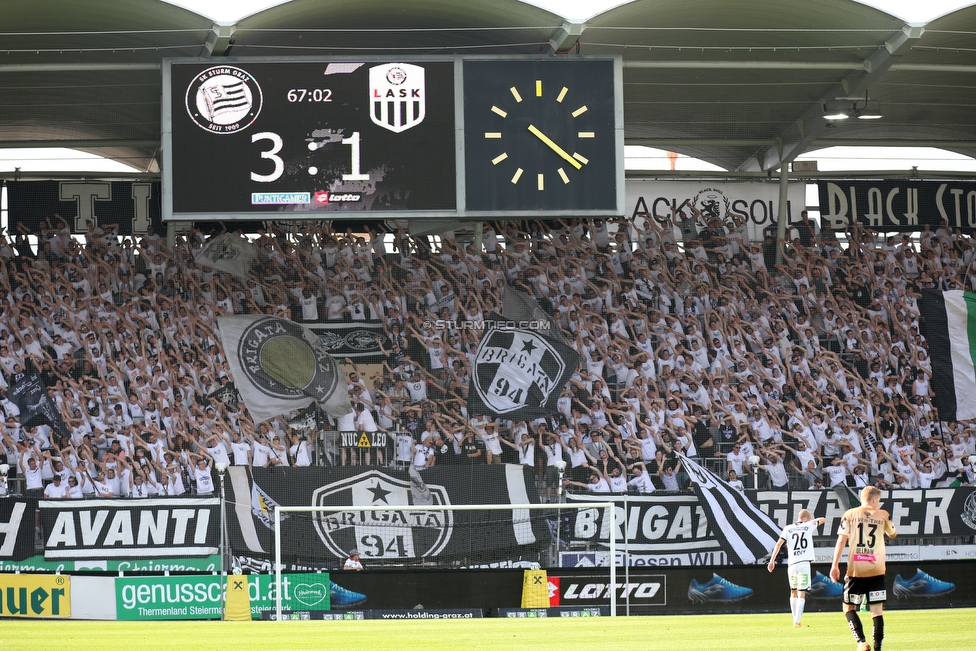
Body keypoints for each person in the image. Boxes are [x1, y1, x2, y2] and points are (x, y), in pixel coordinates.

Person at [830, 485, 897, 651]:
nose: (879, 503)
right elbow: (893, 534)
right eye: (879, 500)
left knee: (848, 607)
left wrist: (835, 565)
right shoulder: (883, 515)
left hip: (855, 571)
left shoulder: (850, 514)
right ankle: (877, 647)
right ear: (874, 499)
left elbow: (841, 541)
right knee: (876, 611)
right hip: (877, 570)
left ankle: (861, 642)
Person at [766, 508, 826, 627]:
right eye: (808, 518)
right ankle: (797, 621)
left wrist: (772, 560)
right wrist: (810, 522)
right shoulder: (808, 525)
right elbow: (823, 519)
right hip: (803, 563)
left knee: (793, 591)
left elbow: (778, 544)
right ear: (805, 519)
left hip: (791, 564)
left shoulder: (788, 528)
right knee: (801, 592)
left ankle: (795, 618)